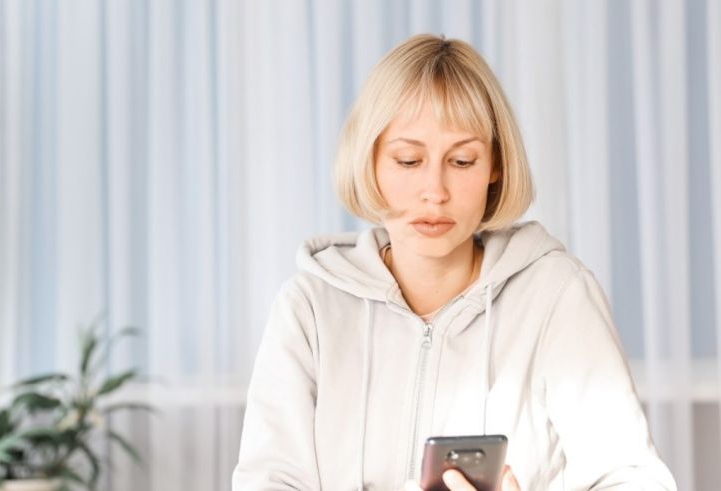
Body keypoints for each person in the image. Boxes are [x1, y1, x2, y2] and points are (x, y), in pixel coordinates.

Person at [232, 34, 676, 491]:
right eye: (408, 161)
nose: (435, 191)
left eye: (462, 161)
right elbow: (268, 480)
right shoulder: (310, 309)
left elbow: (632, 478)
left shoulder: (557, 296)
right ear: (371, 163)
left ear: (495, 167)